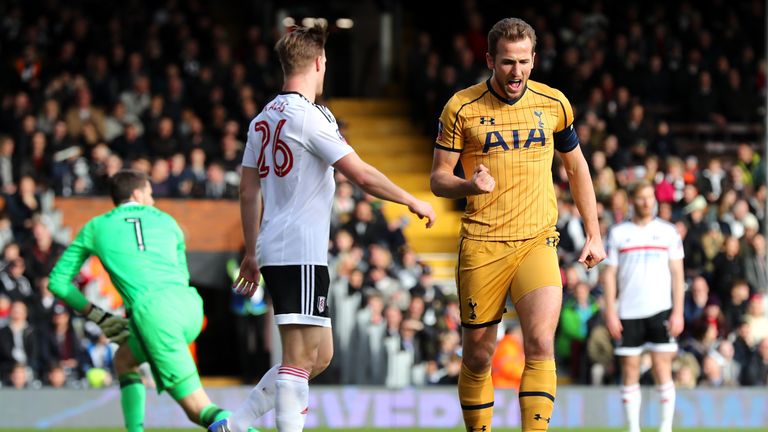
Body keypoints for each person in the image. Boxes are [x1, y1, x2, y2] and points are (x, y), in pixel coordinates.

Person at [209, 23, 435, 432]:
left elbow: (247, 190)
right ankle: (243, 426)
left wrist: (251, 251)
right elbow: (361, 175)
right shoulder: (307, 119)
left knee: (319, 356)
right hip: (299, 250)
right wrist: (412, 199)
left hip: (284, 248)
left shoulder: (262, 119)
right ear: (318, 63)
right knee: (297, 361)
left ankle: (235, 424)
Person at [430, 17, 605, 432]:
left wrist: (594, 232)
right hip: (483, 243)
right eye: (508, 62)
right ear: (490, 59)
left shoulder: (554, 104)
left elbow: (576, 167)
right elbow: (438, 179)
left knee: (542, 342)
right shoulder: (461, 107)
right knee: (477, 355)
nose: (517, 72)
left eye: (524, 62)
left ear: (534, 59)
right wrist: (468, 184)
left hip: (537, 240)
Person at [48, 169, 233, 432]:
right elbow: (182, 273)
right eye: (150, 193)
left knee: (200, 410)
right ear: (137, 193)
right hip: (190, 305)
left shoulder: (95, 226)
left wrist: (98, 316)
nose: (153, 200)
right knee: (124, 359)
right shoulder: (169, 222)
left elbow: (57, 281)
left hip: (154, 315)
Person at [602, 181, 685, 432]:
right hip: (628, 311)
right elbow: (609, 275)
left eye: (651, 197)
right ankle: (633, 428)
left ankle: (665, 428)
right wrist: (610, 311)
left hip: (660, 309)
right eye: (642, 197)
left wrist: (678, 312)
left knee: (662, 366)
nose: (648, 202)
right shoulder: (618, 233)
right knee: (630, 368)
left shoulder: (668, 232)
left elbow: (678, 274)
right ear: (632, 200)